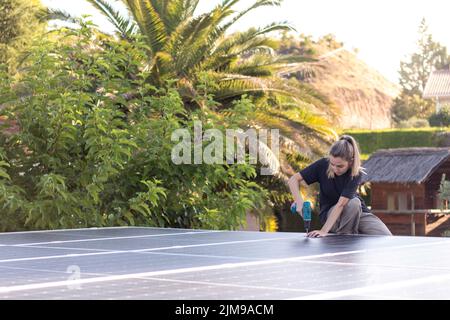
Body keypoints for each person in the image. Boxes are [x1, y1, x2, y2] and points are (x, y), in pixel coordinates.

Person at [288, 135, 392, 238]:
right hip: (331, 216)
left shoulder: (356, 173)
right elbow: (293, 180)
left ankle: (352, 231)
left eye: (340, 166)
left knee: (386, 237)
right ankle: (344, 237)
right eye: (332, 164)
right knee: (354, 203)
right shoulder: (322, 165)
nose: (335, 168)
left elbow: (341, 204)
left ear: (350, 162)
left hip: (356, 212)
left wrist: (324, 231)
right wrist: (299, 201)